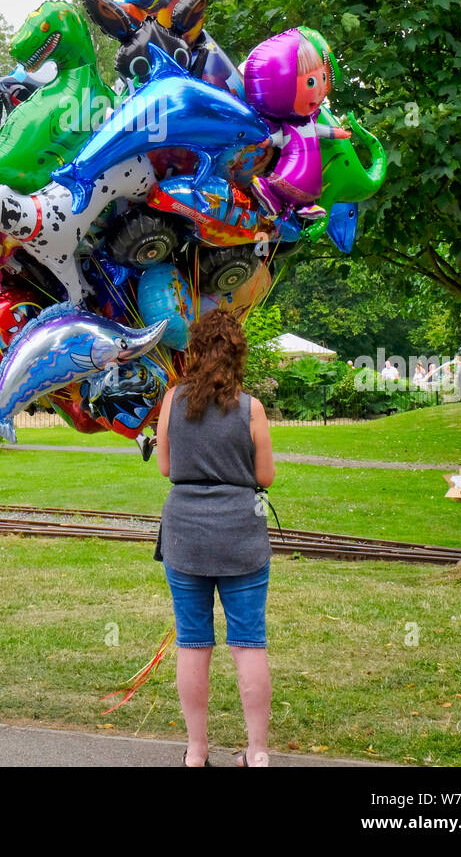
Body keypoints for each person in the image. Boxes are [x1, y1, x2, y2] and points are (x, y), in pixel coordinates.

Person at [155, 309, 275, 769]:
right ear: (238, 355)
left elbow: (166, 467)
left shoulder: (172, 402)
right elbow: (265, 475)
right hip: (242, 535)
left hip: (185, 535)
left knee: (193, 642)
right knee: (249, 643)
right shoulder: (252, 408)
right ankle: (258, 751)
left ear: (194, 354)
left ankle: (197, 751)